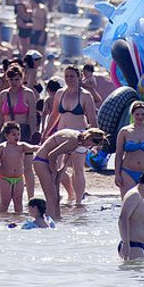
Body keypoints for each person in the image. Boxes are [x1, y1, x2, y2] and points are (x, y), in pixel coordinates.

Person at [45, 63, 98, 206]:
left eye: (72, 76)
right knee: (56, 165)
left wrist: (96, 140)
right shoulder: (60, 93)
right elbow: (54, 114)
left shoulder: (85, 96)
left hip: (79, 136)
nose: (69, 79)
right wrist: (46, 132)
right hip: (61, 135)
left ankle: (79, 202)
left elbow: (92, 119)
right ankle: (70, 193)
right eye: (67, 76)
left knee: (78, 168)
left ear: (79, 77)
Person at [32, 127, 110, 220]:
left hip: (50, 161)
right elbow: (52, 155)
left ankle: (57, 219)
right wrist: (55, 173)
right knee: (51, 197)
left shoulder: (79, 141)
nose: (90, 147)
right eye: (92, 144)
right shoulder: (73, 139)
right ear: (89, 138)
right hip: (41, 161)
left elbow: (67, 155)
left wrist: (61, 170)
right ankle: (47, 222)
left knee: (56, 197)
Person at [115, 100, 144, 193]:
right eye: (137, 114)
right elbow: (119, 154)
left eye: (142, 114)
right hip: (127, 171)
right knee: (128, 202)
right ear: (132, 114)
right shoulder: (124, 131)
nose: (140, 117)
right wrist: (117, 174)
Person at [0, 121, 35, 214]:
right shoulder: (2, 147)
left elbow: (33, 147)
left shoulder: (22, 146)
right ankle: (2, 218)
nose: (17, 137)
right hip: (5, 178)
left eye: (18, 134)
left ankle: (18, 219)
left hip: (19, 178)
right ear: (6, 136)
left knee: (18, 201)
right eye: (14, 134)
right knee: (4, 202)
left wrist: (45, 146)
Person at [117, 170, 144, 261]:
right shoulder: (134, 195)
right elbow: (123, 218)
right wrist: (126, 244)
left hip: (137, 245)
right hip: (132, 246)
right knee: (135, 275)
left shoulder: (140, 196)